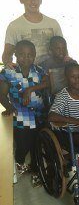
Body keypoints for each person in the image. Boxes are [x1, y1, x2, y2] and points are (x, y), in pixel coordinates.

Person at [0, 40, 49, 187]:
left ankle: (35, 170)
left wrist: (31, 89)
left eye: (29, 55)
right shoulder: (8, 72)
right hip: (20, 115)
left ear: (34, 56)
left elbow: (47, 82)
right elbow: (2, 94)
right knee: (23, 144)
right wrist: (8, 107)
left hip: (39, 114)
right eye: (21, 55)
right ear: (15, 55)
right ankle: (19, 162)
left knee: (37, 145)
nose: (25, 58)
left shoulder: (39, 70)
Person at [2, 0, 63, 67]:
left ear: (41, 0)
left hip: (52, 76)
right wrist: (10, 67)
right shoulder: (14, 26)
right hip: (27, 78)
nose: (33, 2)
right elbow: (7, 55)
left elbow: (63, 50)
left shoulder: (53, 23)